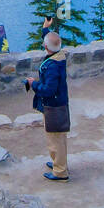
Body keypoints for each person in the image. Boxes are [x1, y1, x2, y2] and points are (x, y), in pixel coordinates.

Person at [26, 28, 70, 182]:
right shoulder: (60, 56)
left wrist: (34, 85)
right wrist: (46, 28)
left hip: (53, 106)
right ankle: (59, 163)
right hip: (59, 103)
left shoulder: (51, 66)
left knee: (55, 138)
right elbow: (52, 40)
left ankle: (61, 172)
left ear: (45, 47)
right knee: (59, 137)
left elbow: (48, 90)